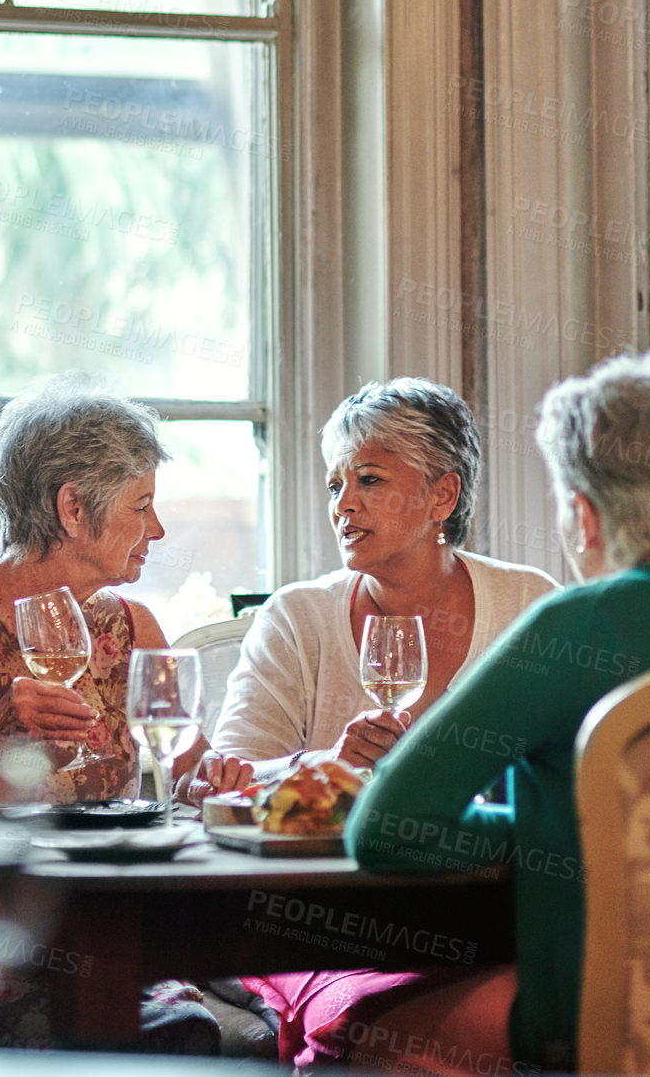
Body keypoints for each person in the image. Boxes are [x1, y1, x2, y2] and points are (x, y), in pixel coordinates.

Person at [345, 348, 650, 1072]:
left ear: (584, 514)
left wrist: (538, 831)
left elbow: (383, 829)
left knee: (369, 1042)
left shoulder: (573, 626)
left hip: (600, 1005)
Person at [0, 374, 253, 1052]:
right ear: (73, 507)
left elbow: (191, 770)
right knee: (151, 1033)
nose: (156, 529)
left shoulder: (136, 629)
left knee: (178, 1028)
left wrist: (218, 776)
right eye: (141, 506)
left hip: (111, 929)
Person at [212, 376, 558, 1063]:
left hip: (483, 916)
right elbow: (225, 784)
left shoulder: (528, 604)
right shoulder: (299, 616)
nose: (341, 505)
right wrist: (323, 766)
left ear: (443, 495)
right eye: (335, 483)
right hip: (318, 926)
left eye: (367, 480)